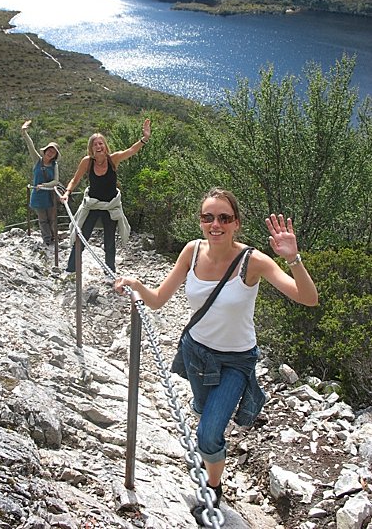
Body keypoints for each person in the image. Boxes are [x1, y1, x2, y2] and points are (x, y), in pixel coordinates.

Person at [114, 187, 318, 525]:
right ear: (200, 221)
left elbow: (308, 298)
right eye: (208, 217)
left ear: (236, 223)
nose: (215, 224)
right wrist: (136, 284)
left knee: (208, 434)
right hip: (196, 353)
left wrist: (293, 258)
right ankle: (212, 465)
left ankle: (213, 489)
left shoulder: (254, 261)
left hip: (236, 361)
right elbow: (158, 300)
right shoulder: (191, 252)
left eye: (224, 218)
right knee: (204, 414)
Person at [60, 118, 151, 274]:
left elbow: (130, 151)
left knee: (109, 241)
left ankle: (110, 272)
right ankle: (71, 269)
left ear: (105, 146)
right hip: (93, 205)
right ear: (91, 148)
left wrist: (145, 138)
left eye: (101, 143)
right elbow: (75, 179)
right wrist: (67, 192)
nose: (98, 146)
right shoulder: (87, 162)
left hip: (111, 205)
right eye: (95, 144)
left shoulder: (113, 159)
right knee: (81, 236)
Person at [21, 120, 61, 246]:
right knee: (42, 220)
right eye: (49, 150)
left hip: (49, 195)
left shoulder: (54, 165)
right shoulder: (37, 161)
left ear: (55, 155)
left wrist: (44, 186)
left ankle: (54, 238)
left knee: (52, 219)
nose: (50, 153)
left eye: (53, 152)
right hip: (38, 196)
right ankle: (47, 240)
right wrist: (24, 131)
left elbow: (56, 181)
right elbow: (30, 146)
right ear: (45, 151)